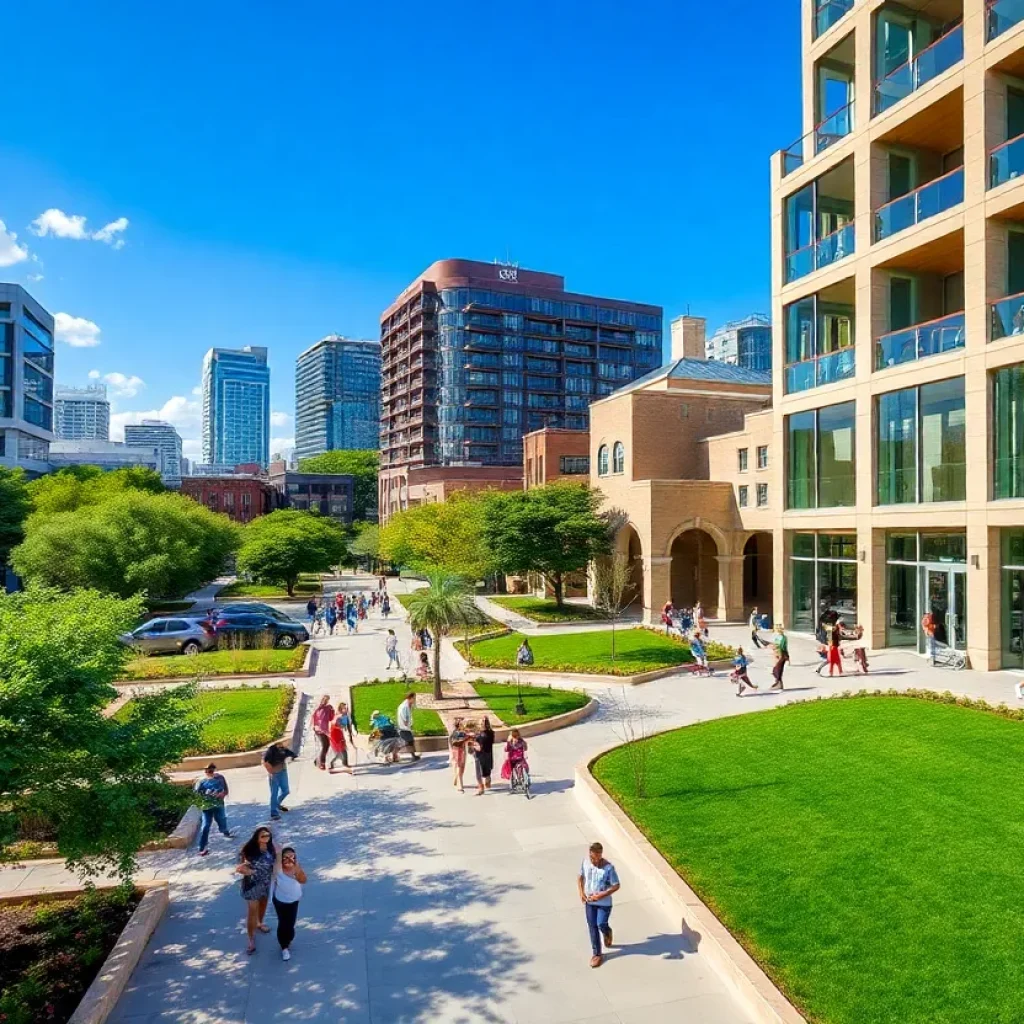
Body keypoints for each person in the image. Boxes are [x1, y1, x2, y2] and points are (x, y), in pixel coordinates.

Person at [577, 842, 620, 969]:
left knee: (600, 923)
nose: (595, 861)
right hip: (590, 902)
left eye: (597, 858)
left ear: (601, 854)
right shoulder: (585, 862)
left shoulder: (608, 868)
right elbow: (580, 877)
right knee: (592, 926)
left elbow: (616, 885)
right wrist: (581, 893)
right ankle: (597, 954)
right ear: (589, 854)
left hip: (604, 903)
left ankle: (607, 931)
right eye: (592, 858)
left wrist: (601, 895)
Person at [236, 827, 276, 954]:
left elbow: (273, 864)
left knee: (263, 904)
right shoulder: (249, 849)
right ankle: (251, 938)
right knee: (252, 911)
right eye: (263, 836)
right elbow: (240, 867)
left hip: (265, 882)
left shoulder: (270, 848)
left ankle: (259, 923)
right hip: (252, 884)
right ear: (257, 837)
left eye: (268, 835)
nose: (266, 838)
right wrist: (249, 870)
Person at [272, 845, 307, 961]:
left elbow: (303, 880)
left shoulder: (296, 868)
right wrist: (279, 852)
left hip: (294, 900)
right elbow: (278, 857)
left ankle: (288, 939)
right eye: (285, 857)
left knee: (290, 923)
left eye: (292, 857)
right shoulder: (278, 869)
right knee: (283, 923)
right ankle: (284, 947)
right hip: (280, 901)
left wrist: (296, 870)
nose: (289, 860)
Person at [193, 763, 234, 856]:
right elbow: (195, 794)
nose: (208, 772)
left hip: (218, 805)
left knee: (222, 820)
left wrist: (222, 794)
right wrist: (202, 799)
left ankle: (225, 831)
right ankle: (202, 848)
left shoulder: (220, 778)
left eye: (210, 770)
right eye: (207, 771)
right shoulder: (201, 781)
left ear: (214, 770)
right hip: (206, 808)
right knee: (205, 826)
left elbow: (226, 790)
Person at [262, 741, 297, 820]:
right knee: (274, 793)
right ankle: (273, 812)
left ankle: (277, 804)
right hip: (275, 773)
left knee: (286, 791)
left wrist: (293, 757)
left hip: (283, 772)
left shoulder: (283, 749)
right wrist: (272, 773)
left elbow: (293, 754)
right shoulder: (271, 750)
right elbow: (265, 762)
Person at [469, 717, 495, 795]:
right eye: (482, 722)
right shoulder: (490, 733)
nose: (482, 724)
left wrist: (474, 745)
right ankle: (483, 785)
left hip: (482, 754)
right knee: (483, 772)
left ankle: (483, 785)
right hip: (485, 754)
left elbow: (480, 747)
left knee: (482, 772)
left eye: (483, 722)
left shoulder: (485, 734)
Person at [311, 695, 334, 771]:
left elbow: (331, 718)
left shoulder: (327, 708)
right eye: (324, 699)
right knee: (325, 745)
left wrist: (332, 710)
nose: (325, 701)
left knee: (326, 745)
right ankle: (321, 763)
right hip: (319, 730)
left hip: (324, 730)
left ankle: (318, 760)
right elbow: (317, 720)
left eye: (327, 700)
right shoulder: (319, 708)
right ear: (322, 700)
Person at [396, 691, 420, 761]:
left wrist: (410, 724)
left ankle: (413, 756)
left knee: (407, 742)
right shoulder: (404, 706)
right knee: (408, 742)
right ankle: (413, 756)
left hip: (406, 727)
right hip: (403, 728)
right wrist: (405, 722)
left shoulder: (408, 705)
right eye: (414, 698)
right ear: (410, 698)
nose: (415, 700)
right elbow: (402, 715)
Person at [328, 704, 352, 771]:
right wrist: (342, 726)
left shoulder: (344, 716)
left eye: (346, 708)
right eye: (345, 708)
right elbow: (336, 725)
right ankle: (344, 764)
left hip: (338, 734)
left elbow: (344, 726)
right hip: (335, 735)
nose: (346, 709)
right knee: (341, 751)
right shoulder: (339, 716)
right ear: (341, 709)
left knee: (341, 751)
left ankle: (334, 763)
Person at [448, 717, 469, 792]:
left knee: (459, 767)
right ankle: (460, 785)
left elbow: (450, 740)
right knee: (460, 767)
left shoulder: (454, 732)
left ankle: (457, 778)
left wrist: (451, 749)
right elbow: (463, 741)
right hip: (460, 751)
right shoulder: (460, 733)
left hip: (457, 750)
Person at [770, 624, 788, 690]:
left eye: (780, 629)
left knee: (778, 669)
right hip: (776, 654)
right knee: (776, 670)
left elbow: (783, 647)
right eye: (777, 628)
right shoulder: (778, 637)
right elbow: (775, 644)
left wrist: (787, 656)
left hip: (781, 654)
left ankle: (779, 684)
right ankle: (779, 683)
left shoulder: (783, 638)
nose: (778, 630)